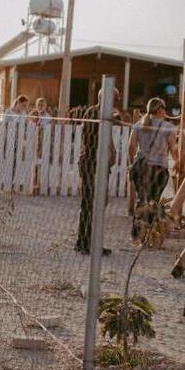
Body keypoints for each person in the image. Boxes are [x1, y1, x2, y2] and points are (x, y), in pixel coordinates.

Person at [74, 87, 121, 256]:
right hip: (92, 164)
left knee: (96, 203)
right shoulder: (95, 113)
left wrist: (113, 151)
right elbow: (100, 135)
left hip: (98, 163)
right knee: (91, 203)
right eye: (115, 99)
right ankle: (86, 243)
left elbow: (107, 135)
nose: (117, 102)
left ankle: (86, 241)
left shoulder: (99, 113)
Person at [127, 98, 179, 218]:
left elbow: (131, 147)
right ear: (160, 109)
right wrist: (177, 161)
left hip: (140, 167)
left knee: (142, 199)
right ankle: (149, 230)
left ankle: (137, 231)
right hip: (158, 168)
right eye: (164, 108)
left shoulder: (138, 125)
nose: (165, 110)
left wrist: (131, 163)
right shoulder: (168, 127)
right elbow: (173, 148)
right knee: (153, 200)